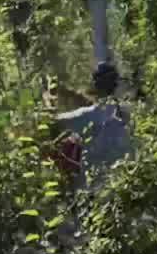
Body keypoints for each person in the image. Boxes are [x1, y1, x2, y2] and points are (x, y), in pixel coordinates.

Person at [48, 61, 133, 189]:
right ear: (116, 85)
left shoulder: (87, 116)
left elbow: (54, 122)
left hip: (94, 190)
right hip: (127, 184)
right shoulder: (130, 114)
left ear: (96, 87)